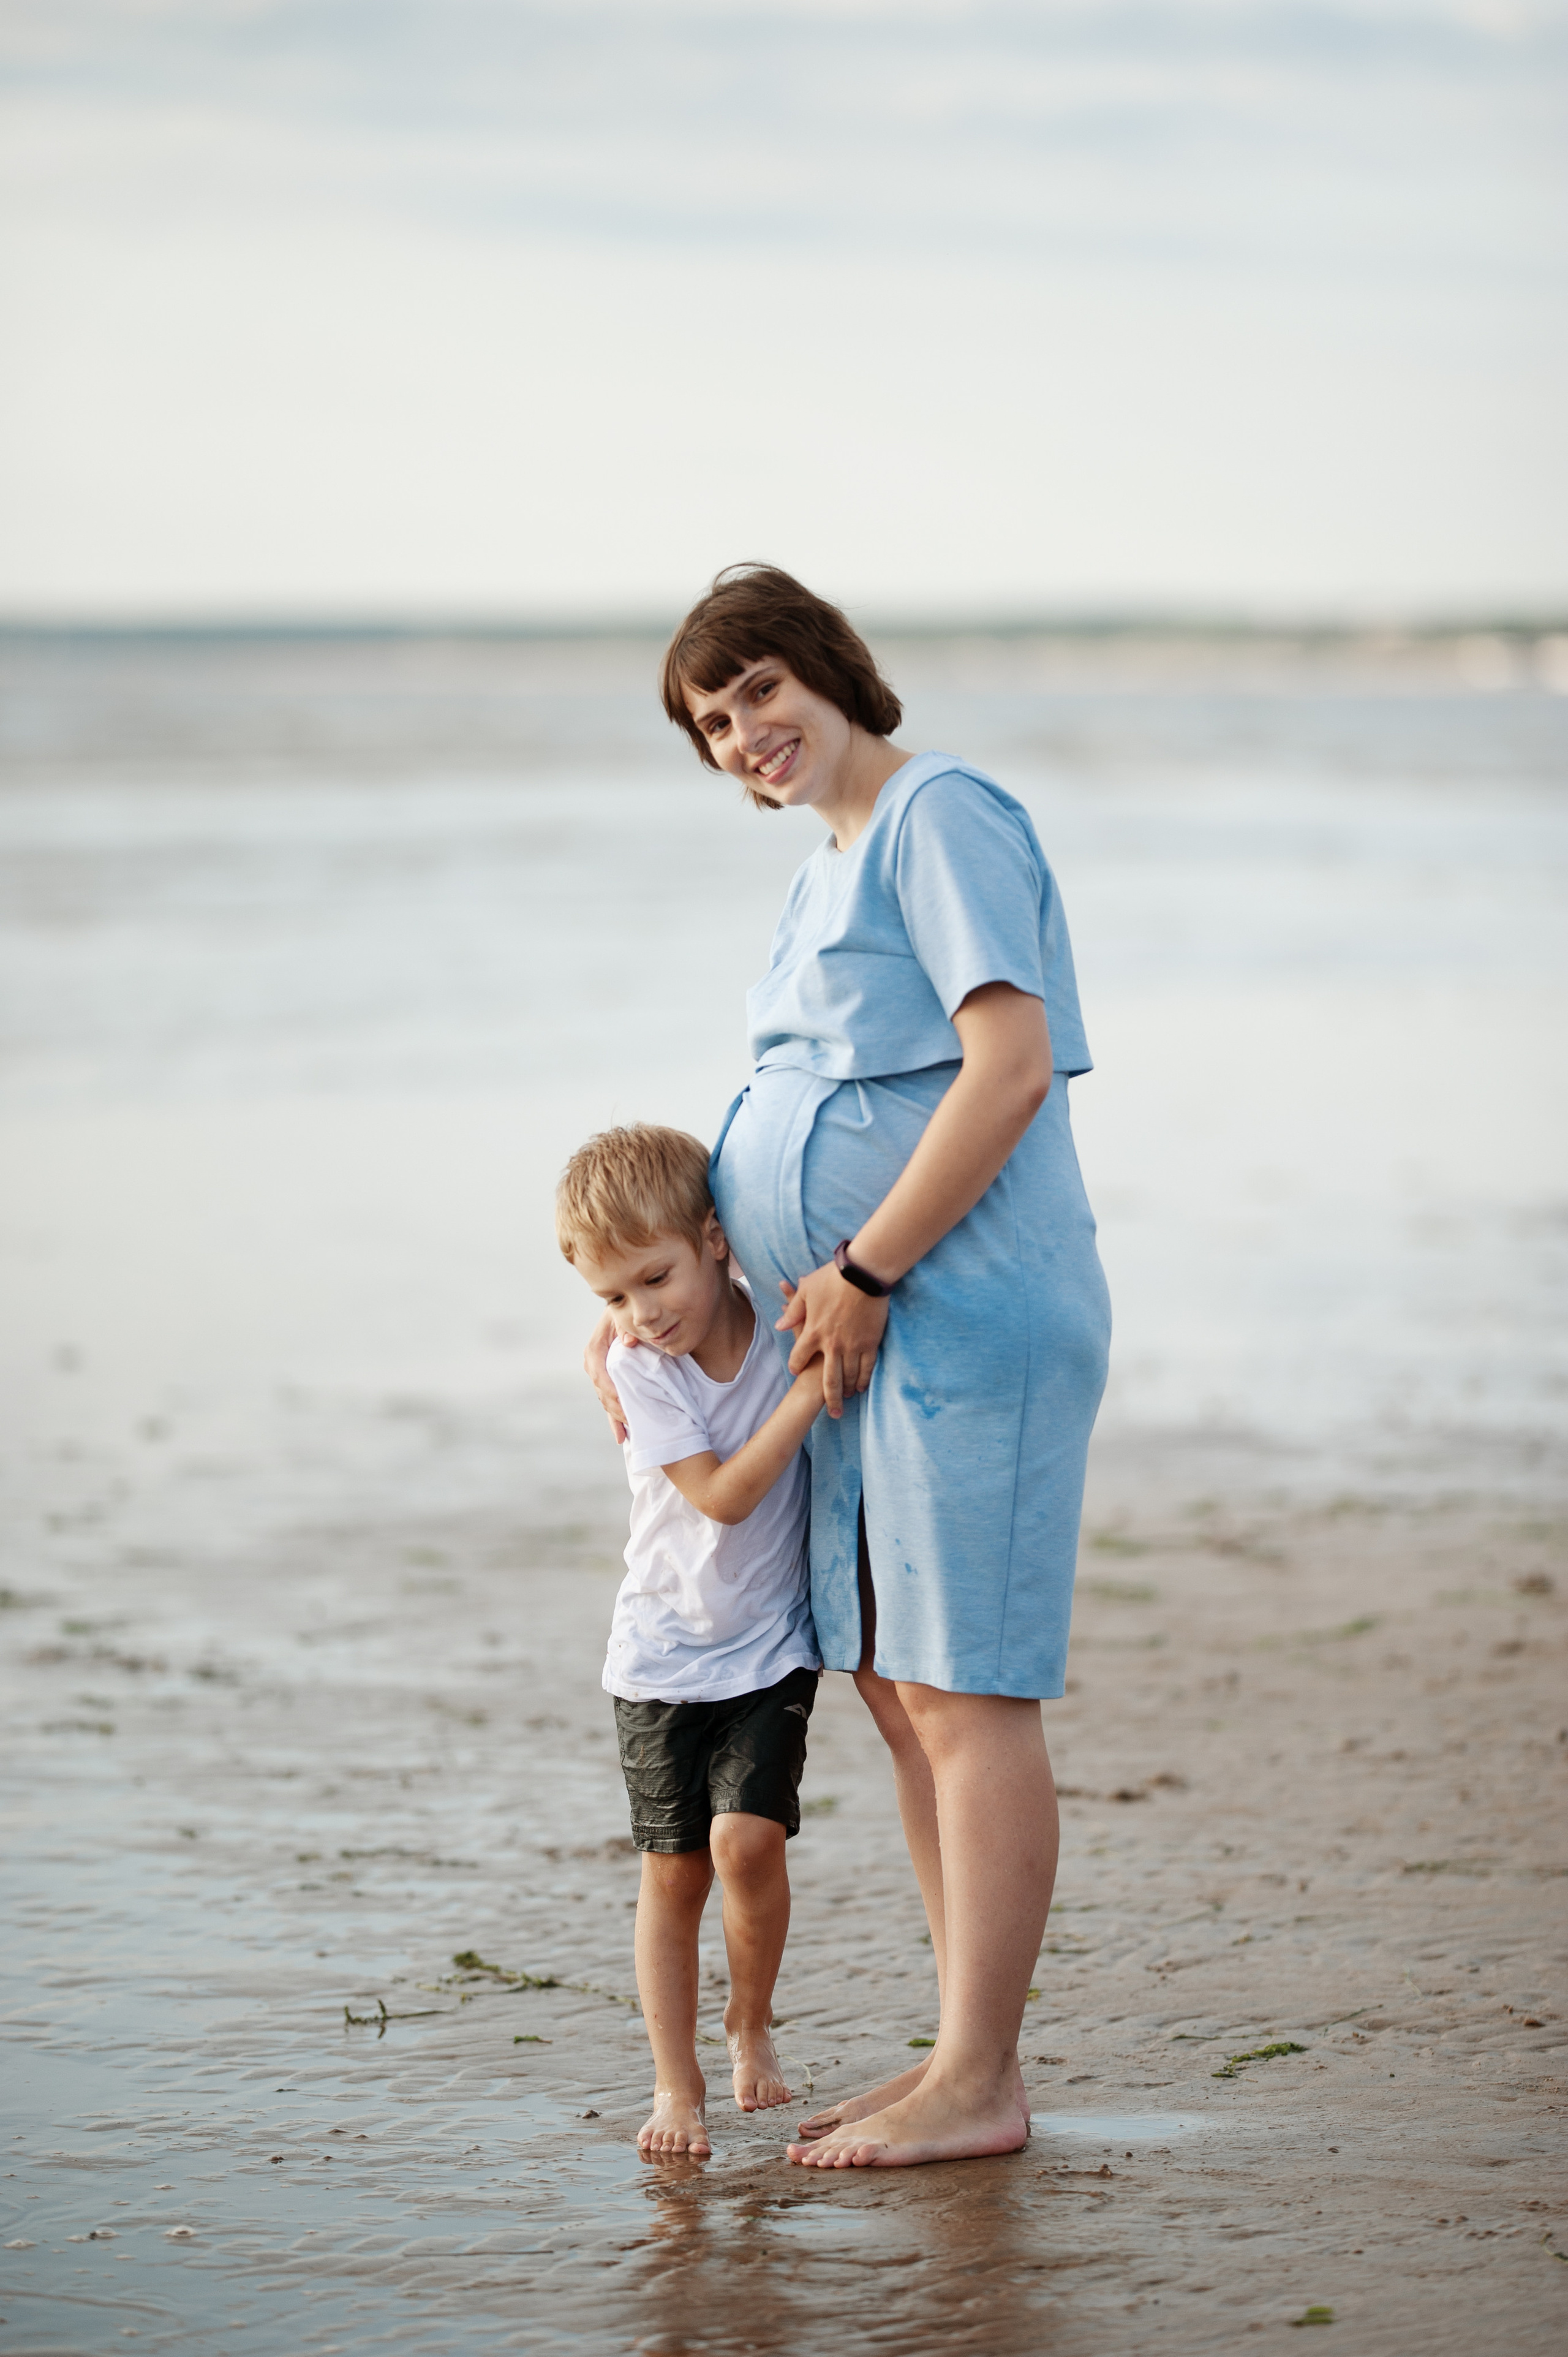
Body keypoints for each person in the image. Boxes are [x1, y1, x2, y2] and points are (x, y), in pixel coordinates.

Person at [586, 564, 1112, 2170]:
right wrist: (650, 1304)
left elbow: (1007, 1068)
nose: (744, 730)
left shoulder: (937, 814)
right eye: (711, 721)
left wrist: (869, 1267)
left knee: (964, 1688)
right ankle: (966, 2051)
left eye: (759, 688)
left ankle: (980, 2077)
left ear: (827, 667)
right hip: (859, 1337)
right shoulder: (828, 865)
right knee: (897, 1688)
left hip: (959, 1314)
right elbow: (795, 1120)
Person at [556, 1121, 826, 2160]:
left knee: (747, 1843)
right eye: (613, 1298)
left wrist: (802, 1362)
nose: (641, 1313)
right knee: (674, 1873)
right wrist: (809, 1393)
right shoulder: (643, 1368)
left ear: (717, 1240)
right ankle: (678, 2086)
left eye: (655, 1278)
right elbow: (720, 1497)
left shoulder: (778, 1317)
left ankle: (750, 2020)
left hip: (771, 1644)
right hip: (661, 1656)